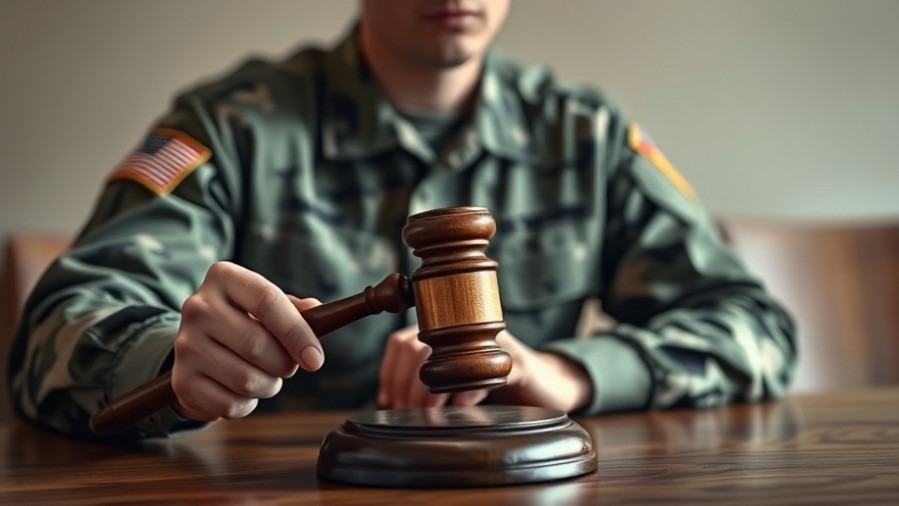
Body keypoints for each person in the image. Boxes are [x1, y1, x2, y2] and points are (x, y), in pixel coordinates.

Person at [8, 0, 796, 439]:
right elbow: (51, 335)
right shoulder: (232, 129)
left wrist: (566, 374)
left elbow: (754, 328)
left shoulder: (584, 136)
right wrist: (170, 360)